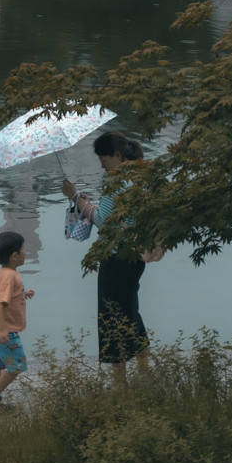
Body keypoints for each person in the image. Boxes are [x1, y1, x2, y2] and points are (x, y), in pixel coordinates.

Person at [60, 131, 149, 385]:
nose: (102, 166)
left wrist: (75, 198)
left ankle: (120, 385)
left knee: (112, 318)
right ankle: (144, 373)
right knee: (131, 313)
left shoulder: (119, 181)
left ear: (117, 156)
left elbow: (103, 222)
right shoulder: (138, 175)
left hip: (116, 259)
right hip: (133, 258)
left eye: (104, 161)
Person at [0, 231, 35, 404]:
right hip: (4, 330)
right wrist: (3, 330)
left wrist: (22, 293)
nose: (25, 253)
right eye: (23, 250)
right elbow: (0, 304)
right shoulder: (10, 277)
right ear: (15, 256)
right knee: (17, 365)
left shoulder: (5, 272)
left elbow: (7, 295)